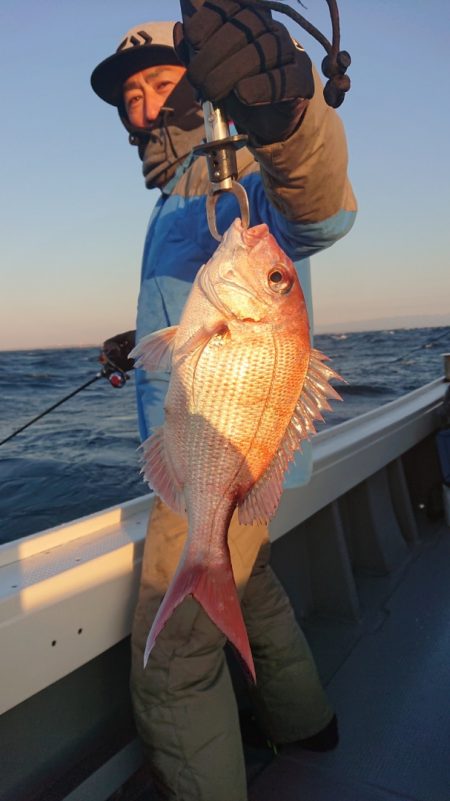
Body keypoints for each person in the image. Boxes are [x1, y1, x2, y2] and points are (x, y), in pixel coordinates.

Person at [91, 5, 357, 800]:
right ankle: (308, 721)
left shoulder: (231, 163)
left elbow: (320, 211)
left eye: (160, 83)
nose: (141, 106)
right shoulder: (178, 188)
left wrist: (287, 119)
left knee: (173, 660)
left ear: (205, 79)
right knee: (253, 583)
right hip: (236, 452)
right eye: (129, 94)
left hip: (221, 445)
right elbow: (197, 303)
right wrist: (133, 337)